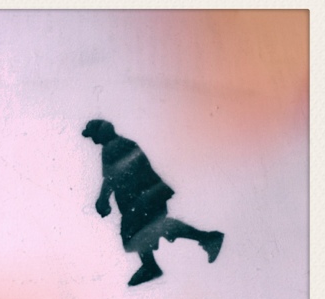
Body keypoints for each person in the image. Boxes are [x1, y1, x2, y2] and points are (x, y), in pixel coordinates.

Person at [82, 119, 224, 286]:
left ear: (100, 134)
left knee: (138, 232)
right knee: (150, 229)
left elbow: (111, 178)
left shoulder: (111, 148)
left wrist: (103, 200)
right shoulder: (123, 143)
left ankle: (153, 265)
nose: (93, 140)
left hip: (141, 200)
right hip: (148, 196)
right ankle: (204, 239)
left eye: (93, 135)